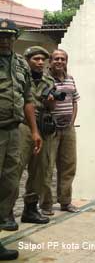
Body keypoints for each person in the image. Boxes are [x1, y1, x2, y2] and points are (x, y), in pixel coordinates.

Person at [0, 19, 42, 261]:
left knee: (9, 185)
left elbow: (28, 100)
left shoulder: (20, 65)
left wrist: (34, 130)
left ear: (15, 38)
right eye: (1, 36)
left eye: (9, 36)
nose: (4, 40)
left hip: (15, 132)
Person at [5, 46, 55, 230]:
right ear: (27, 60)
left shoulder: (49, 81)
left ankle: (30, 209)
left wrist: (52, 102)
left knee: (40, 170)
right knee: (14, 170)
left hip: (43, 126)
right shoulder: (18, 78)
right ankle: (7, 212)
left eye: (43, 59)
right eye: (36, 59)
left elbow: (52, 107)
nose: (40, 62)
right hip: (24, 126)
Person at [40, 49, 80, 216]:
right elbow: (41, 103)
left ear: (66, 61)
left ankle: (65, 202)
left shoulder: (70, 79)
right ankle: (46, 205)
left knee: (68, 166)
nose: (59, 61)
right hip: (51, 129)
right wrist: (49, 103)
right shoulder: (45, 79)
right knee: (47, 167)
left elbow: (74, 101)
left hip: (68, 129)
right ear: (51, 61)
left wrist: (72, 122)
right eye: (56, 58)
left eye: (62, 59)